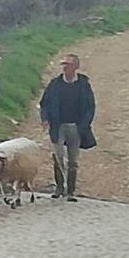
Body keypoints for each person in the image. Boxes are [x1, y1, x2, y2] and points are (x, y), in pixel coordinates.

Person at [39, 53, 96, 201]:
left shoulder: (83, 85)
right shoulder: (55, 84)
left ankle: (71, 191)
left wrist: (83, 126)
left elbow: (90, 107)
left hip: (75, 127)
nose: (65, 67)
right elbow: (44, 104)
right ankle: (59, 187)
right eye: (63, 64)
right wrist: (45, 119)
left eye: (68, 64)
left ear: (76, 67)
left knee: (72, 161)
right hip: (57, 126)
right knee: (58, 157)